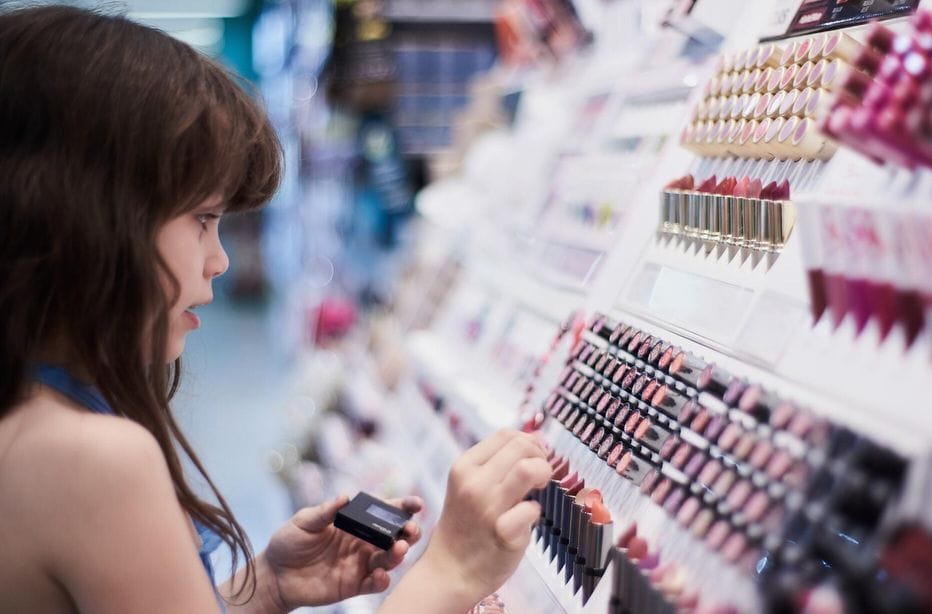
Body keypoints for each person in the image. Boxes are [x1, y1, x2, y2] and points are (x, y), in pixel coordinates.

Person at [0, 5, 553, 613]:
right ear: (92, 219)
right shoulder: (92, 460)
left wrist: (265, 586)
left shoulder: (32, 415)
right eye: (204, 220)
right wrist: (451, 570)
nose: (219, 261)